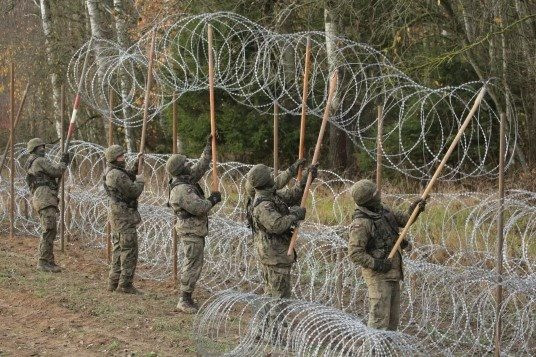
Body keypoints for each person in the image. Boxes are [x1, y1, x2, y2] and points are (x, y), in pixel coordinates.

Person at [247, 162, 317, 334]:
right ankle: (275, 331)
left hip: (274, 254)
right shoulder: (263, 205)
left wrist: (306, 179)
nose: (273, 176)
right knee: (279, 296)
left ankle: (265, 327)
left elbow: (292, 195)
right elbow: (277, 225)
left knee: (272, 293)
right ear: (265, 180)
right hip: (274, 256)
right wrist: (294, 216)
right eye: (270, 174)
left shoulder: (270, 195)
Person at [347, 179, 426, 330]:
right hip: (378, 276)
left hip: (393, 271)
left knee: (392, 322)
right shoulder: (361, 223)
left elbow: (405, 220)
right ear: (368, 199)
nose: (379, 194)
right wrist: (377, 264)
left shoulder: (383, 210)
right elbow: (355, 253)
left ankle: (386, 350)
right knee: (379, 322)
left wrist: (414, 210)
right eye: (375, 193)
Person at [166, 135, 221, 313]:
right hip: (190, 231)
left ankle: (186, 296)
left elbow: (201, 166)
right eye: (186, 164)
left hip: (194, 229)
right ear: (181, 169)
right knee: (192, 264)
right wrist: (212, 200)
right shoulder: (182, 190)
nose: (189, 165)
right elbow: (199, 207)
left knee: (194, 262)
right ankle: (184, 299)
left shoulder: (185, 179)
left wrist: (209, 148)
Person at [103, 145, 145, 294]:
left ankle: (113, 282)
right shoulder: (116, 174)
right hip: (124, 215)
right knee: (129, 249)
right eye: (121, 156)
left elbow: (128, 177)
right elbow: (133, 191)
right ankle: (125, 285)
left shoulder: (113, 171)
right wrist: (140, 181)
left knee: (118, 248)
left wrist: (137, 164)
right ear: (114, 158)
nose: (123, 158)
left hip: (118, 214)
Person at [25, 138, 70, 272]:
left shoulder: (30, 162)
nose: (43, 149)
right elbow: (56, 171)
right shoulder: (39, 161)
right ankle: (43, 262)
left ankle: (48, 261)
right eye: (40, 147)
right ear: (34, 149)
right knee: (49, 230)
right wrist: (63, 162)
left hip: (41, 198)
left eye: (43, 147)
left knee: (50, 230)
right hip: (45, 198)